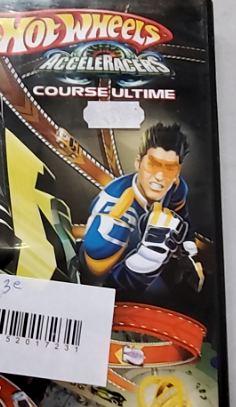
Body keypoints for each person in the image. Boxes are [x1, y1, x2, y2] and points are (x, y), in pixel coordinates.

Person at [79, 122, 204, 294]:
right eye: (153, 164)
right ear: (138, 163)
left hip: (159, 257)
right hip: (122, 273)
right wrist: (146, 260)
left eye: (169, 168)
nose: (160, 176)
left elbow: (182, 215)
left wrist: (188, 248)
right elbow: (96, 282)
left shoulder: (176, 187)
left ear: (177, 172)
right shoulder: (112, 205)